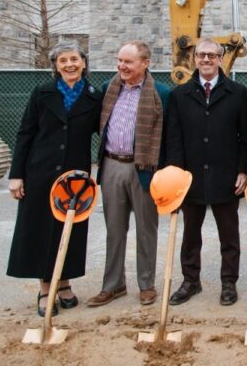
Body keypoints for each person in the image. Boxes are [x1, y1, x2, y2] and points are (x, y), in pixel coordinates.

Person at [7, 41, 102, 317]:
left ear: (83, 63)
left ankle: (65, 284)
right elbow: (25, 133)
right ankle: (45, 287)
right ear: (56, 66)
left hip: (75, 176)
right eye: (63, 61)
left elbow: (105, 132)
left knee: (69, 229)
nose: (69, 65)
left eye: (74, 59)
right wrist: (17, 175)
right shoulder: (42, 93)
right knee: (40, 229)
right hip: (40, 172)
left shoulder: (94, 96)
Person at [165, 38, 247, 306]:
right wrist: (177, 176)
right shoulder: (179, 95)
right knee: (191, 235)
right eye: (201, 55)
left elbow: (245, 136)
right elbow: (174, 138)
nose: (205, 60)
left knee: (229, 234)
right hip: (191, 178)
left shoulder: (237, 93)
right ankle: (191, 281)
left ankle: (228, 282)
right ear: (194, 58)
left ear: (221, 58)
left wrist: (243, 171)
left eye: (211, 55)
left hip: (226, 175)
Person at [87, 40, 171, 308]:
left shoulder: (162, 93)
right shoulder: (107, 89)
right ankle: (113, 285)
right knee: (114, 228)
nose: (121, 66)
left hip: (144, 168)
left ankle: (146, 285)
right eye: (119, 60)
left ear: (145, 63)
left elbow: (168, 137)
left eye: (128, 62)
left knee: (146, 229)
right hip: (111, 165)